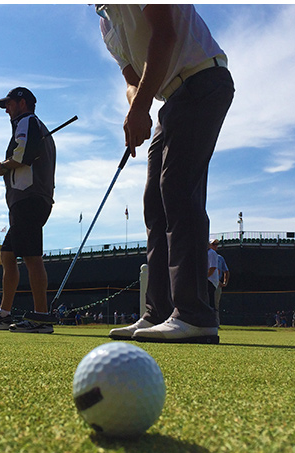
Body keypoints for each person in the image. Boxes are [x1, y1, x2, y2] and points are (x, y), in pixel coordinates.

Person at [98, 5, 234, 343]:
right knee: (155, 202)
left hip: (203, 79)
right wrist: (137, 106)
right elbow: (132, 79)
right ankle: (158, 312)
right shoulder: (105, 22)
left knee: (177, 188)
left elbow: (165, 34)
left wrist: (142, 106)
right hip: (171, 99)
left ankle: (194, 315)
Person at [0, 87, 56, 334]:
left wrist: (2, 166)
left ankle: (41, 317)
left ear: (22, 103)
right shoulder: (31, 124)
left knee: (31, 257)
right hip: (28, 200)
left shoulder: (27, 121)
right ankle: (4, 314)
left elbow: (23, 155)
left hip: (29, 198)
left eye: (9, 104)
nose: (6, 110)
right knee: (8, 256)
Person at [211, 239, 230, 325]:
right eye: (213, 244)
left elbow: (226, 271)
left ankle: (215, 323)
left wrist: (225, 282)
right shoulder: (206, 256)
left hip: (217, 284)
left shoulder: (219, 258)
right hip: (207, 283)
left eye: (216, 244)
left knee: (215, 305)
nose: (215, 246)